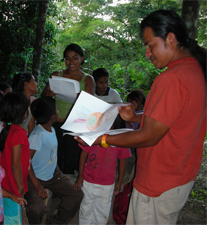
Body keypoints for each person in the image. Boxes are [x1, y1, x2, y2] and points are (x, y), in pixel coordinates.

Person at [75, 10, 206, 224]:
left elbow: (149, 136)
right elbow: (174, 119)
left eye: (150, 45)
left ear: (170, 39)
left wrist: (101, 139)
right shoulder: (195, 71)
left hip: (158, 182)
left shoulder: (171, 79)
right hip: (180, 176)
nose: (147, 53)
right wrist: (136, 117)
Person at [24, 97, 84, 224]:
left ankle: (55, 222)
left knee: (76, 195)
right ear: (52, 116)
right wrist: (37, 185)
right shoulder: (37, 135)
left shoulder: (52, 129)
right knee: (36, 209)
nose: (58, 111)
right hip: (34, 177)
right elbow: (25, 161)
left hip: (52, 174)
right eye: (57, 109)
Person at [42, 43, 95, 174]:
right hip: (54, 122)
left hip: (75, 126)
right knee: (54, 157)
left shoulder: (88, 79)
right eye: (67, 58)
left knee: (72, 160)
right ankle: (55, 186)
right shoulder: (56, 75)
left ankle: (70, 188)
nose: (70, 62)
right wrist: (47, 94)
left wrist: (81, 99)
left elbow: (91, 105)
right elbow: (42, 96)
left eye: (75, 58)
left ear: (82, 59)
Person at [74, 115, 131, 224]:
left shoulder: (120, 139)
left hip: (107, 184)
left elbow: (123, 160)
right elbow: (83, 153)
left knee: (102, 211)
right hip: (88, 180)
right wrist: (80, 176)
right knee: (86, 207)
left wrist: (119, 181)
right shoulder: (93, 136)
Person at [0, 92, 30, 225]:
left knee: (8, 214)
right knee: (13, 218)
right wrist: (20, 186)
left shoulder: (7, 129)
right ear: (24, 113)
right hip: (13, 185)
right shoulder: (18, 133)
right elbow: (15, 165)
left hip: (5, 182)